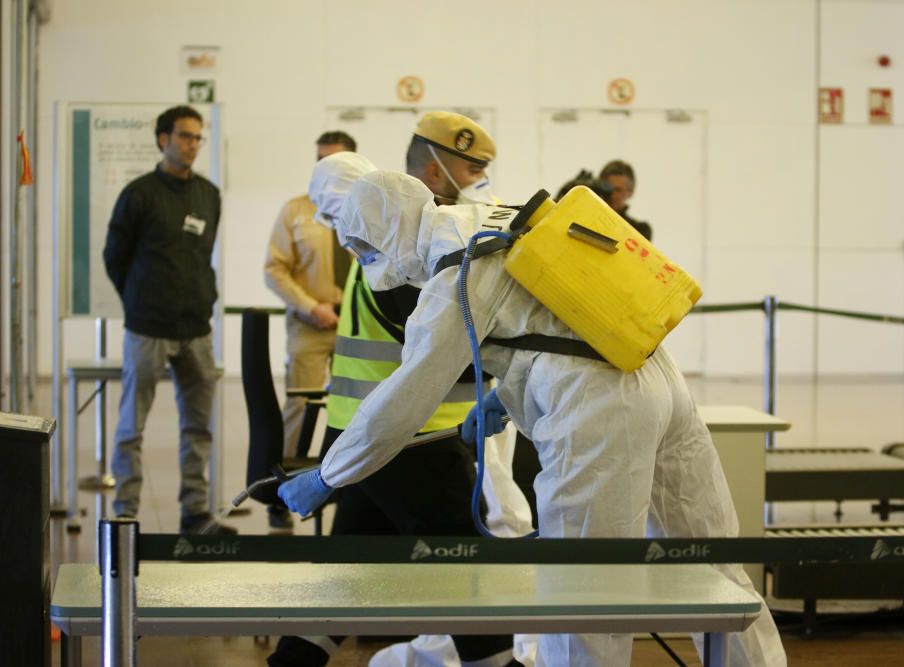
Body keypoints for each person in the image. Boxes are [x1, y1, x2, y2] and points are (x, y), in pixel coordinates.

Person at [278, 170, 788, 667]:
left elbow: (401, 402)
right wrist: (502, 397)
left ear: (386, 234)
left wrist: (327, 475)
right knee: (716, 569)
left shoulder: (452, 275)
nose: (381, 269)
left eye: (369, 252)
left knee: (585, 595)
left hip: (600, 412)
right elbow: (548, 318)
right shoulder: (494, 217)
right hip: (656, 375)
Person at [266, 113, 527, 667]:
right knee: (465, 572)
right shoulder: (400, 266)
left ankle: (290, 662)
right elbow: (445, 363)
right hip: (408, 442)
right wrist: (498, 383)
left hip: (370, 438)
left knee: (347, 572)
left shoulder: (386, 256)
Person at [102, 105, 233, 535]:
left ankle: (195, 512)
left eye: (197, 137)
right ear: (163, 139)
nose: (192, 144)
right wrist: (140, 300)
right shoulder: (139, 194)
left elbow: (202, 256)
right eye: (184, 136)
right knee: (131, 426)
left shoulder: (209, 195)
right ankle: (125, 513)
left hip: (196, 328)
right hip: (148, 329)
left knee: (198, 426)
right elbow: (114, 258)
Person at [263, 130, 356, 530]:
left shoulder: (365, 210)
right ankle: (280, 493)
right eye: (321, 161)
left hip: (356, 326)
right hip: (311, 323)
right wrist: (309, 306)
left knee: (356, 407)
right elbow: (274, 268)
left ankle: (348, 485)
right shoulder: (296, 210)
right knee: (300, 407)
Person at [599, 159, 653, 240]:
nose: (612, 195)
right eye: (608, 188)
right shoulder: (586, 216)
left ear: (630, 192)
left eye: (618, 190)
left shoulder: (639, 230)